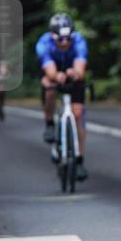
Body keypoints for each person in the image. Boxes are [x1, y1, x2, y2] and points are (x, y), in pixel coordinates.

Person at [35, 14, 89, 180]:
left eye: (68, 38)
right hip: (53, 71)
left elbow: (80, 66)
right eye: (60, 39)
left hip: (72, 73)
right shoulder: (44, 43)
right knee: (49, 88)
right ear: (53, 36)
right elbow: (50, 70)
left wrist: (76, 73)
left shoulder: (79, 41)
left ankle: (79, 160)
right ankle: (50, 123)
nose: (65, 42)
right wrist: (56, 76)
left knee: (78, 113)